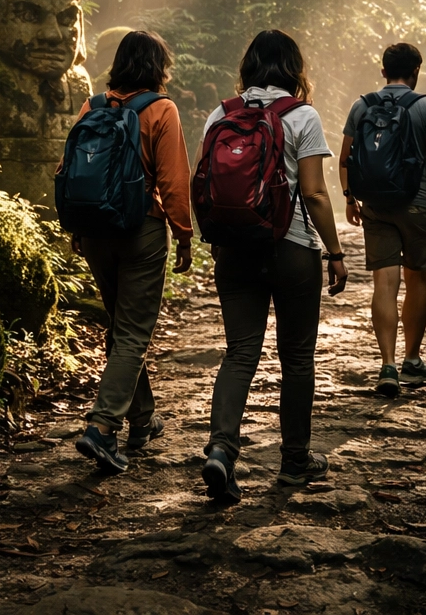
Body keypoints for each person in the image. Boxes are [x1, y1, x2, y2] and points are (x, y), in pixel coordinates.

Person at [200, 30, 349, 503]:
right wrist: (336, 252)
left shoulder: (220, 114)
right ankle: (294, 462)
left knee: (240, 353)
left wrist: (215, 240)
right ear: (293, 67)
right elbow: (315, 193)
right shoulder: (302, 115)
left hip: (235, 251)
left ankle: (222, 451)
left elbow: (201, 182)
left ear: (248, 67)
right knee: (297, 358)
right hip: (292, 251)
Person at [70, 31, 194, 473]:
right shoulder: (161, 109)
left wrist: (77, 228)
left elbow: (72, 172)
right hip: (140, 229)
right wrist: (184, 234)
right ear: (158, 67)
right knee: (132, 333)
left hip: (95, 232)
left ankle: (142, 420)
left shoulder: (93, 106)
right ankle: (102, 428)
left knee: (122, 328)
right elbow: (174, 181)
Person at [339, 42, 426, 398]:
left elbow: (346, 158)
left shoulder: (361, 105)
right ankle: (412, 359)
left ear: (383, 71)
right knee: (417, 279)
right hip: (417, 205)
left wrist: (350, 198)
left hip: (375, 206)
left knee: (384, 283)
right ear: (416, 71)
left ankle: (388, 364)